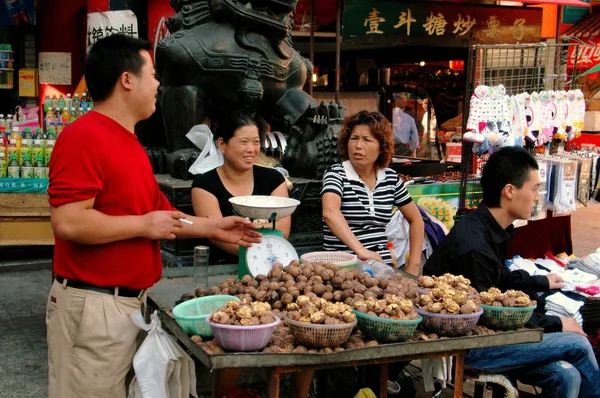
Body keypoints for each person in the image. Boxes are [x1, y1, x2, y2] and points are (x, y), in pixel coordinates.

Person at [46, 34, 260, 398]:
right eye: (154, 74)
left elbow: (160, 213)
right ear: (127, 80)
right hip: (95, 306)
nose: (160, 85)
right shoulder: (84, 136)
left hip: (129, 304)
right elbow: (68, 221)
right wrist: (144, 225)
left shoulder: (128, 141)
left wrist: (216, 225)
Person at [424, 146, 600, 397]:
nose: (538, 197)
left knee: (566, 375)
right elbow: (492, 314)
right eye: (535, 188)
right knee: (579, 343)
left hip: (492, 332)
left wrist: (542, 281)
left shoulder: (489, 226)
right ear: (509, 191)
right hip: (473, 344)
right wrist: (556, 322)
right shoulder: (475, 245)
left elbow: (498, 281)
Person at [322, 110, 424, 276]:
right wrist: (360, 250)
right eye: (354, 138)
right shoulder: (336, 174)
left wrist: (414, 264)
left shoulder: (390, 178)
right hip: (342, 269)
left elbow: (416, 220)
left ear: (381, 147)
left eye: (367, 140)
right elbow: (330, 212)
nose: (358, 146)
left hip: (382, 268)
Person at [191, 111, 291, 265]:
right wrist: (265, 229)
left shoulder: (274, 179)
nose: (251, 149)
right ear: (222, 145)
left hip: (273, 263)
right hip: (223, 266)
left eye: (256, 142)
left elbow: (283, 229)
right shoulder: (204, 185)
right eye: (243, 142)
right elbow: (217, 235)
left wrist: (240, 230)